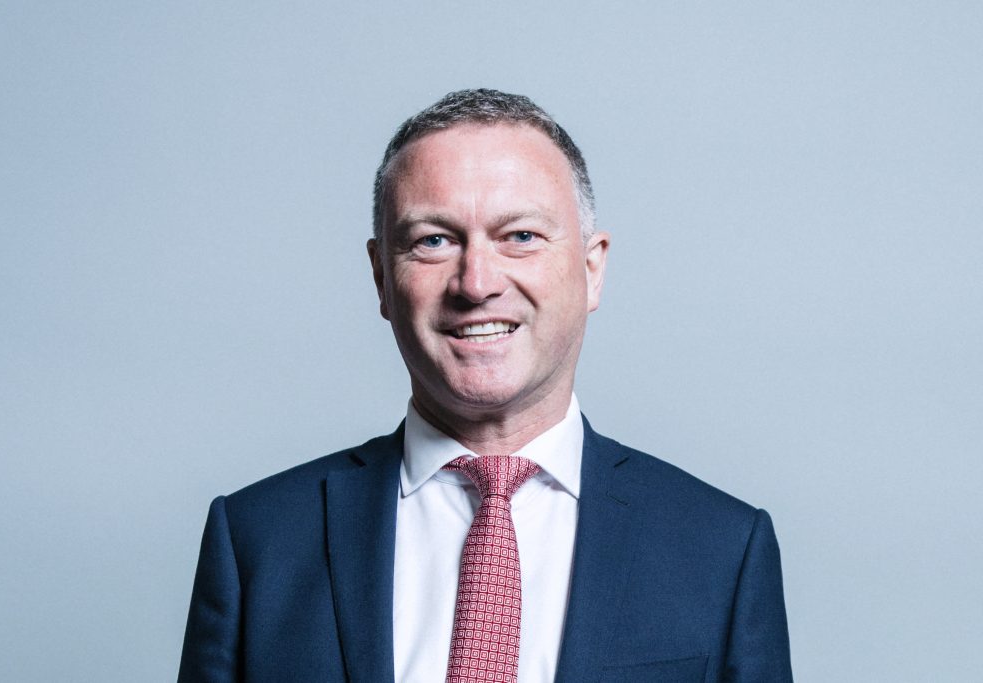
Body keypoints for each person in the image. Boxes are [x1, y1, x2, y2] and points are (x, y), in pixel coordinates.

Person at [178, 89, 793, 682]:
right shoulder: (257, 541)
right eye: (433, 241)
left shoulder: (721, 549)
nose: (476, 283)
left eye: (520, 236)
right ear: (381, 278)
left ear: (592, 269)